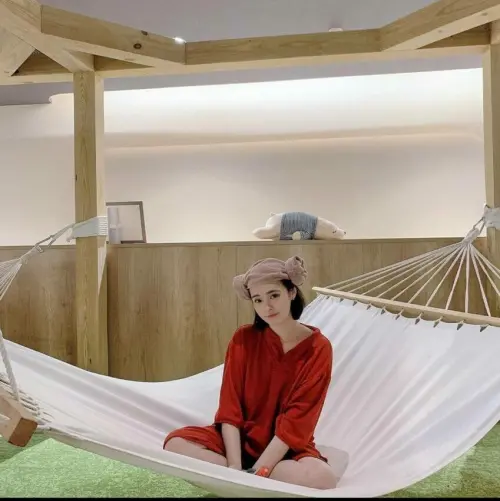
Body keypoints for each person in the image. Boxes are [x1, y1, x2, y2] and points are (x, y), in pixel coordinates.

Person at [163, 256, 337, 489]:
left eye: (274, 295)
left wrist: (258, 471)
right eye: (258, 300)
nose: (267, 307)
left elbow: (297, 421)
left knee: (322, 478)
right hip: (237, 443)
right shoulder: (243, 339)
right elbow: (230, 407)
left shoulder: (318, 348)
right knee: (175, 443)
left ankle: (247, 478)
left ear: (291, 292)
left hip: (286, 449)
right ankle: (234, 475)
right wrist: (235, 466)